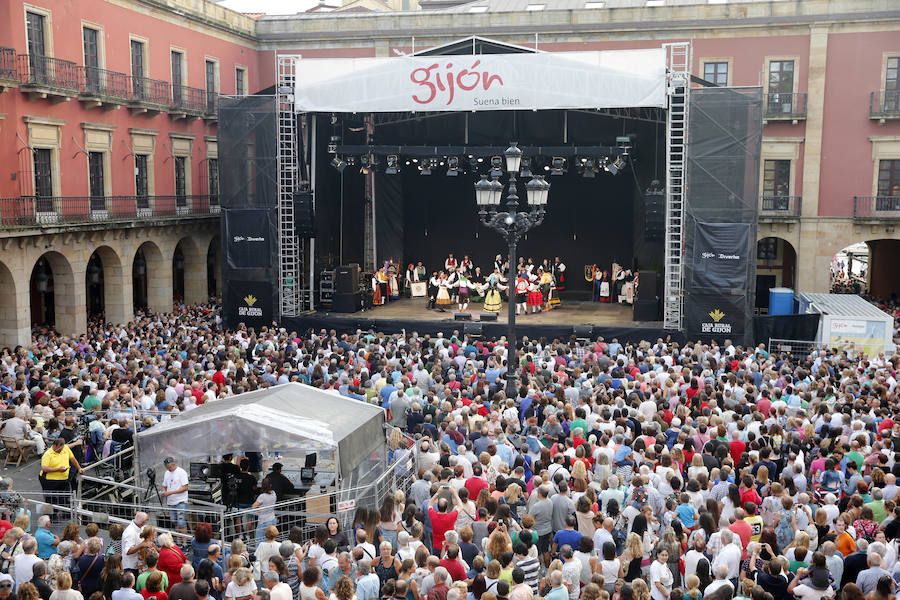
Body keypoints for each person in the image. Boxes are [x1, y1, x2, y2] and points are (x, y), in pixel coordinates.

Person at [161, 458, 189, 536]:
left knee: (181, 523)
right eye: (167, 467)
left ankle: (184, 543)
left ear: (174, 464)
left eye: (169, 467)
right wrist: (163, 491)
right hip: (171, 502)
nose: (168, 469)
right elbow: (164, 485)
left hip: (181, 501)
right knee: (175, 522)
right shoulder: (166, 473)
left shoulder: (181, 472)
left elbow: (185, 487)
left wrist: (170, 493)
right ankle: (179, 542)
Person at [253, 481, 278, 547]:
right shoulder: (273, 493)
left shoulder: (262, 496)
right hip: (272, 519)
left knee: (259, 542)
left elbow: (254, 506)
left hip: (263, 521)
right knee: (271, 541)